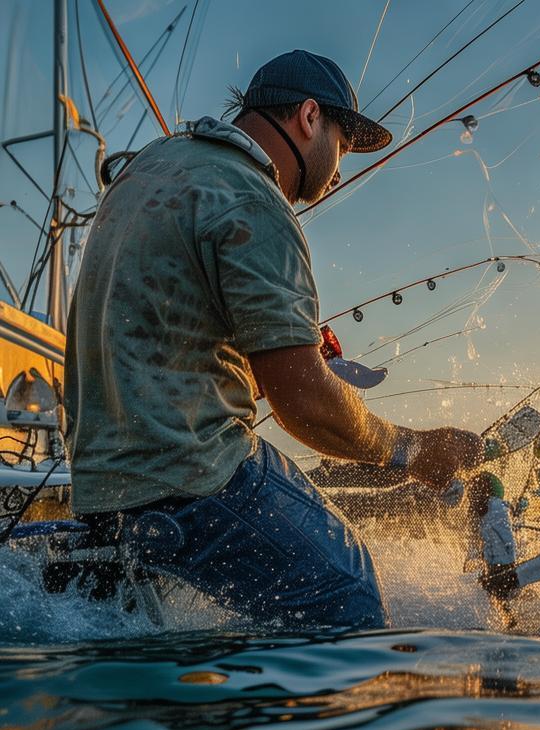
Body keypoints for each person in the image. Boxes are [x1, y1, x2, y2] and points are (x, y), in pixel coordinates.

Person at [62, 50, 482, 629]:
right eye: (342, 143)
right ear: (310, 118)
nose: (339, 170)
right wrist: (410, 451)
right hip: (193, 477)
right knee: (349, 596)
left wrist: (263, 357)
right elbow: (304, 404)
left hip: (101, 491)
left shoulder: (156, 165)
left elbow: (162, 337)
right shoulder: (253, 198)